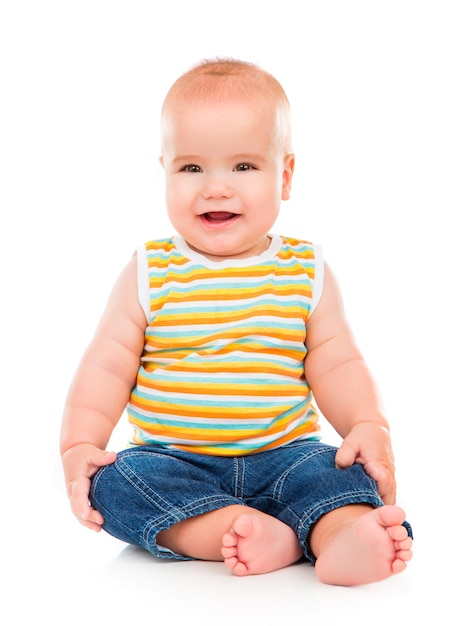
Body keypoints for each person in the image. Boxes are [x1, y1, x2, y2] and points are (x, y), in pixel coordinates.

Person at [60, 57, 413, 586]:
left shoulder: (305, 270)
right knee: (116, 483)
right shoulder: (150, 271)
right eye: (192, 168)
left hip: (286, 454)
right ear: (165, 172)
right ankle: (231, 528)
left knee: (336, 472)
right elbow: (108, 366)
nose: (216, 188)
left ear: (285, 176)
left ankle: (342, 534)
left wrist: (367, 425)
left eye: (244, 167)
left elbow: (337, 360)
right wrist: (79, 445)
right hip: (174, 459)